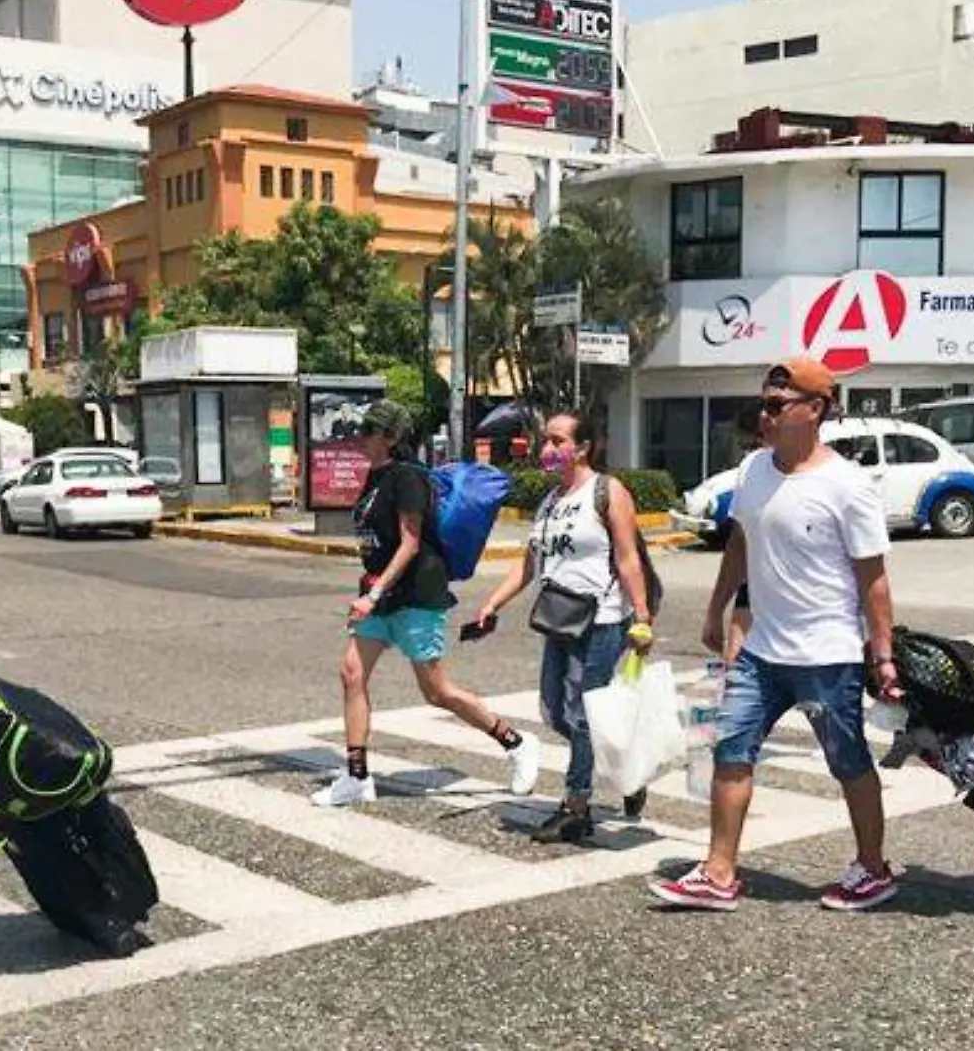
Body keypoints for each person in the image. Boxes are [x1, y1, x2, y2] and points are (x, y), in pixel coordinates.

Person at [647, 357, 903, 913]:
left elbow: (873, 578)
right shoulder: (753, 471)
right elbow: (741, 544)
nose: (763, 415)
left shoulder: (848, 485)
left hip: (827, 654)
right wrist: (719, 610)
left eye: (775, 406)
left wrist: (881, 654)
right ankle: (718, 872)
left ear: (815, 410)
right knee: (731, 751)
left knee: (849, 761)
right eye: (761, 404)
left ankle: (874, 868)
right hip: (762, 650)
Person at [314, 400, 543, 807]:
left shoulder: (408, 478)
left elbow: (410, 544)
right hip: (381, 595)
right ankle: (357, 777)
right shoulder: (376, 475)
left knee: (437, 692)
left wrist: (373, 594)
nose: (361, 437)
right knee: (351, 674)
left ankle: (517, 742)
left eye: (369, 430)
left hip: (416, 595)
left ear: (390, 437)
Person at [476, 411, 656, 843]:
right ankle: (628, 765)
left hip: (603, 620)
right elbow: (528, 567)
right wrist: (491, 604)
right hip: (559, 620)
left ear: (582, 448)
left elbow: (629, 558)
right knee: (553, 710)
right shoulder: (550, 501)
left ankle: (577, 807)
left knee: (581, 715)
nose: (547, 449)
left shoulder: (606, 491)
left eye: (558, 441)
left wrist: (643, 616)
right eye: (546, 441)